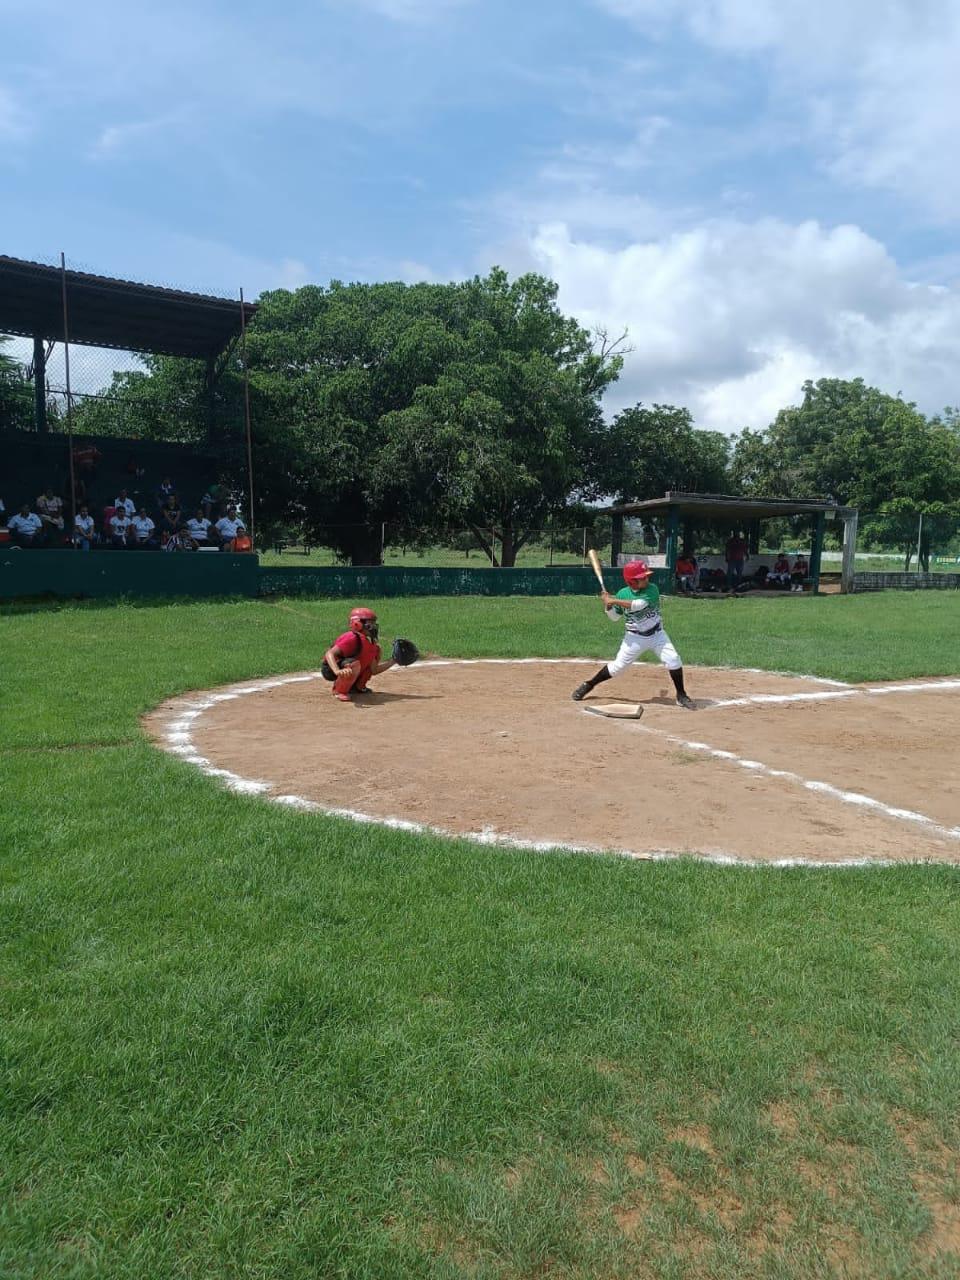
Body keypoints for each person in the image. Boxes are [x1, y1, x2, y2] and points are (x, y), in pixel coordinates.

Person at [571, 558, 694, 709]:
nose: (647, 579)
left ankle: (681, 695)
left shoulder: (652, 589)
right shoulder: (622, 594)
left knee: (673, 659)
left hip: (657, 635)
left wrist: (613, 600)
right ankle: (589, 684)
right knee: (617, 668)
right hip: (634, 638)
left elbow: (638, 605)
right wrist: (607, 605)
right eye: (643, 577)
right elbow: (614, 618)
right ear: (632, 581)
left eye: (646, 576)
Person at [322, 607, 396, 703]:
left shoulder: (371, 643)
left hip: (347, 666)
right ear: (357, 624)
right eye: (369, 623)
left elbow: (373, 670)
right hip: (331, 668)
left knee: (376, 651)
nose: (373, 627)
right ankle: (339, 690)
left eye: (374, 623)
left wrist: (394, 660)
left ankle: (357, 687)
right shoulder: (351, 637)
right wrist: (337, 670)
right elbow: (329, 653)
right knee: (354, 664)